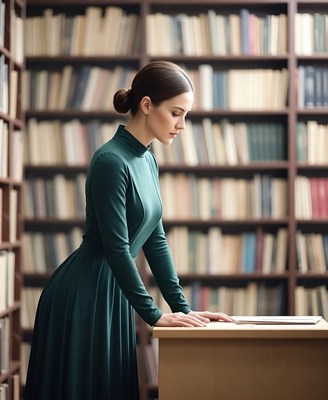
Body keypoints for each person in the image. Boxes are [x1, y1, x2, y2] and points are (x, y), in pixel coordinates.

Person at [24, 61, 232, 400]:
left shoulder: (147, 158)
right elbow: (117, 249)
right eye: (176, 113)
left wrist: (180, 308)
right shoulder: (110, 161)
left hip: (115, 292)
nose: (182, 125)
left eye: (186, 115)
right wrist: (153, 314)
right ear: (147, 105)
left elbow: (155, 238)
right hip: (85, 294)